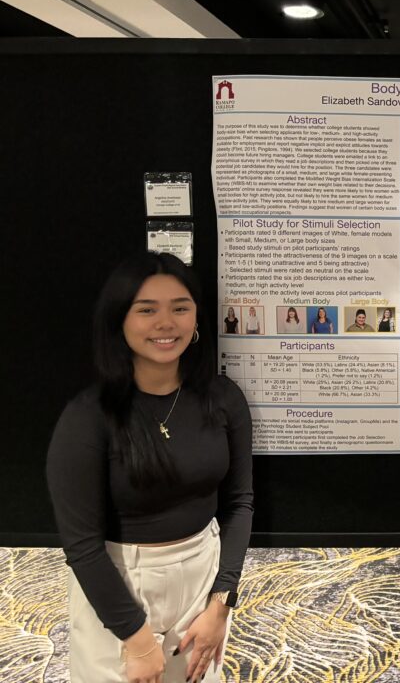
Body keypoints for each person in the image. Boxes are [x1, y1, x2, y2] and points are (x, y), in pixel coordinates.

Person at [46, 252, 253, 683]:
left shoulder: (224, 399)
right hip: (120, 583)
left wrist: (222, 603)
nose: (166, 323)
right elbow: (81, 545)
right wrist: (138, 642)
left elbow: (239, 503)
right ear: (119, 321)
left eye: (180, 308)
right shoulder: (88, 418)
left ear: (197, 320)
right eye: (147, 310)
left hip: (203, 573)